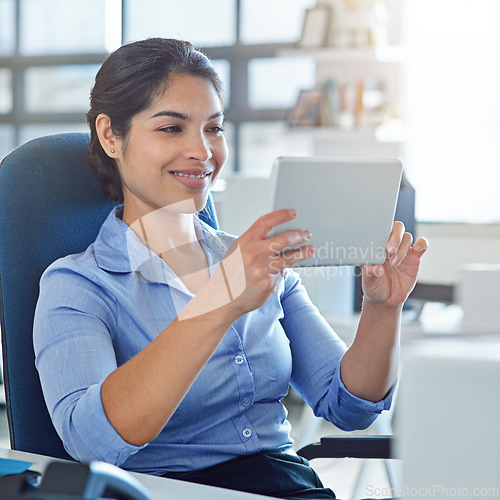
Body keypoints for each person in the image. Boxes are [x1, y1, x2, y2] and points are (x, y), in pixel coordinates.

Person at [33, 38, 428, 499]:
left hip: (287, 485)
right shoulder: (78, 285)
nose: (202, 151)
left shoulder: (257, 261)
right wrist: (220, 299)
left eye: (214, 128)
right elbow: (90, 442)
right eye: (171, 129)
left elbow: (349, 406)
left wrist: (383, 310)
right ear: (110, 136)